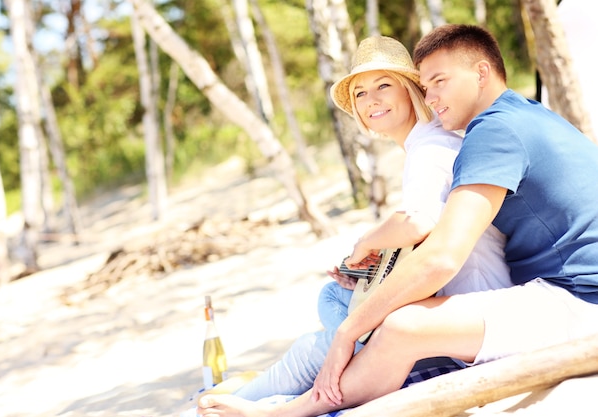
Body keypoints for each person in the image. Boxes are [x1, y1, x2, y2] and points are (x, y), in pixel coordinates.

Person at [195, 24, 598, 417]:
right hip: (562, 290)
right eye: (428, 85)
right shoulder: (520, 113)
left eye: (439, 81)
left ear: (481, 72)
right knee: (335, 312)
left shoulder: (487, 134)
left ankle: (286, 407)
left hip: (575, 300)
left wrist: (350, 329)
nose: (432, 95)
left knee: (380, 329)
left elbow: (437, 250)